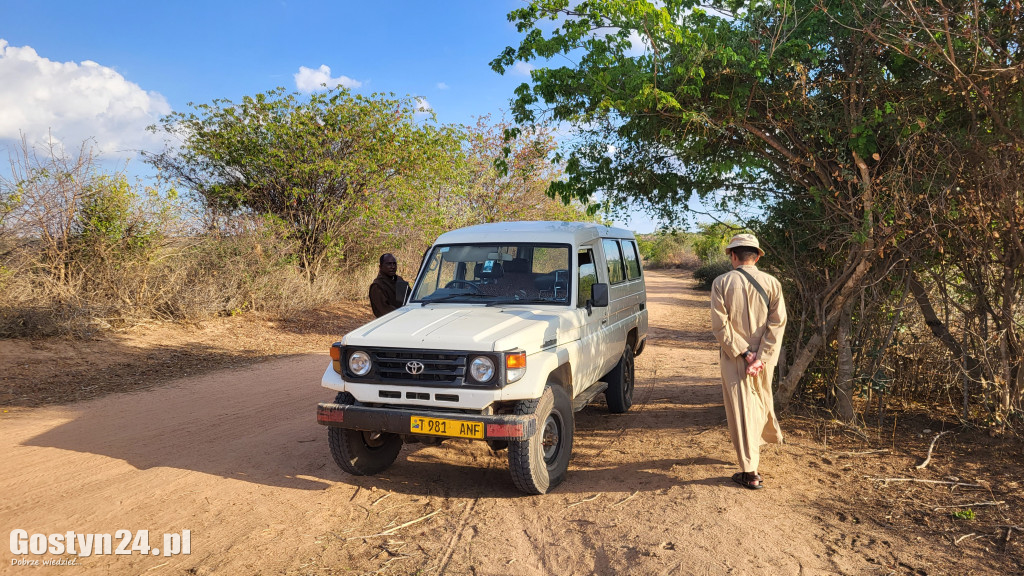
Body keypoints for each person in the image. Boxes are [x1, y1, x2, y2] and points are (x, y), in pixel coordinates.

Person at [710, 234, 787, 490]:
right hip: (765, 357)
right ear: (756, 256)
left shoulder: (721, 282)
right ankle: (756, 450)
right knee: (760, 401)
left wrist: (745, 354)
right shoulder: (773, 282)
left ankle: (750, 472)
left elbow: (720, 327)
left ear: (734, 255)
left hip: (735, 355)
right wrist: (762, 357)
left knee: (741, 409)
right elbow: (778, 324)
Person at [369, 253, 405, 318]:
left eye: (394, 264)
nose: (392, 267)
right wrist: (403, 315)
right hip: (389, 322)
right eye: (389, 264)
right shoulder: (377, 286)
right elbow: (386, 310)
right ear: (381, 267)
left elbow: (408, 300)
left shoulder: (399, 280)